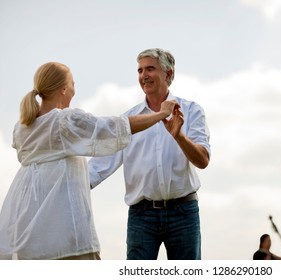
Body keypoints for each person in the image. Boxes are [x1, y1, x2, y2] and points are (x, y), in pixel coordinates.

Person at [0, 62, 178, 260]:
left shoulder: (21, 128)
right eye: (73, 84)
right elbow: (114, 127)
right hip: (65, 233)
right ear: (64, 89)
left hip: (27, 228)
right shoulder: (64, 121)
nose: (74, 91)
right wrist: (161, 114)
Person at [88, 48, 211, 260]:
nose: (143, 76)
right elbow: (98, 166)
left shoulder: (191, 111)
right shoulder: (128, 120)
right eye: (140, 70)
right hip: (141, 216)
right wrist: (64, 186)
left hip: (184, 212)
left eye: (150, 69)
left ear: (169, 74)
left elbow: (203, 160)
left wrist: (179, 136)